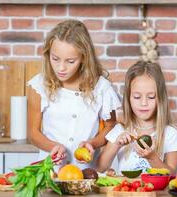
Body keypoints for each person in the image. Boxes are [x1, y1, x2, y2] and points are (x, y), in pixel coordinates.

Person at [27, 19, 121, 169]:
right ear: (48, 53)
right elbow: (33, 132)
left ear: (84, 58)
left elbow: (110, 127)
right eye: (55, 59)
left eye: (70, 61)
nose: (61, 68)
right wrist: (53, 146)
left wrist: (92, 143)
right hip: (50, 171)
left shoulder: (101, 88)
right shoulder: (39, 86)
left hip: (86, 174)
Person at [96, 61, 177, 175]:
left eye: (151, 97)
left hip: (158, 193)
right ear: (128, 98)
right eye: (137, 97)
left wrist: (152, 157)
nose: (144, 103)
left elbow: (171, 174)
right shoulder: (120, 130)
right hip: (128, 192)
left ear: (160, 99)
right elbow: (100, 167)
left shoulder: (170, 134)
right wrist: (116, 144)